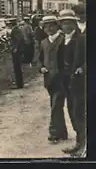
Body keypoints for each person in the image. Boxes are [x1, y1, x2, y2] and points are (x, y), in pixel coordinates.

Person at [57, 9, 86, 157]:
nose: (65, 25)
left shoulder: (81, 38)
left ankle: (85, 146)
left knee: (79, 112)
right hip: (66, 81)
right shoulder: (63, 39)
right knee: (71, 112)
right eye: (63, 23)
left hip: (79, 81)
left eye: (68, 22)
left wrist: (82, 68)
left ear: (74, 23)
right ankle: (79, 143)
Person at [37, 15, 67, 143]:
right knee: (55, 106)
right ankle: (62, 132)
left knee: (56, 105)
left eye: (51, 25)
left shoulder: (63, 40)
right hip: (49, 79)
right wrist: (41, 68)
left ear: (56, 26)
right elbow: (39, 59)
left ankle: (53, 133)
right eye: (46, 26)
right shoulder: (43, 42)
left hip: (61, 79)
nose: (48, 28)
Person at [10, 18, 25, 88]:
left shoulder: (15, 30)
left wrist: (16, 48)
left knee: (17, 67)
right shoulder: (17, 29)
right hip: (18, 50)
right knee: (17, 67)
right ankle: (19, 83)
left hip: (16, 51)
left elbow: (19, 39)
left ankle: (19, 84)